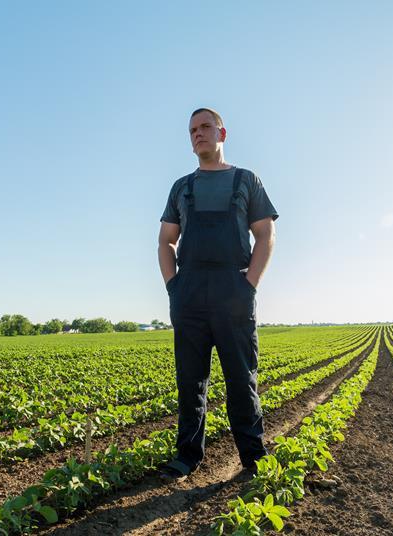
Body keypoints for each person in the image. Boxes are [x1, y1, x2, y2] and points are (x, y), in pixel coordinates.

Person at [157, 107, 279, 481]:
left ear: (222, 134)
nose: (198, 133)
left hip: (233, 289)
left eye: (206, 126)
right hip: (190, 290)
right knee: (190, 379)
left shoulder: (246, 181)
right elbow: (165, 241)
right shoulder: (182, 187)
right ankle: (187, 456)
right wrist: (174, 287)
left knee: (242, 378)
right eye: (192, 129)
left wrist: (250, 284)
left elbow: (265, 235)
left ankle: (253, 455)